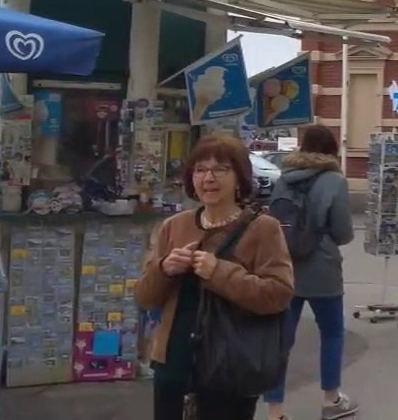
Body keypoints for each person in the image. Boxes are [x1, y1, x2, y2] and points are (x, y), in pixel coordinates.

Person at [135, 134, 294, 420]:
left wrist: (219, 272)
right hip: (173, 363)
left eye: (220, 169)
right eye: (199, 169)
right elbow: (144, 297)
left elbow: (278, 294)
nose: (208, 178)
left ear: (240, 177)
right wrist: (164, 269)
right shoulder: (175, 226)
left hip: (230, 364)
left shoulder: (263, 229)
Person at [264, 124, 357, 420]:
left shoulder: (283, 179)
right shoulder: (334, 180)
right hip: (323, 267)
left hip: (285, 265)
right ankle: (331, 400)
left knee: (281, 339)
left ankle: (275, 410)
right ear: (332, 149)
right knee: (331, 333)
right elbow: (342, 232)